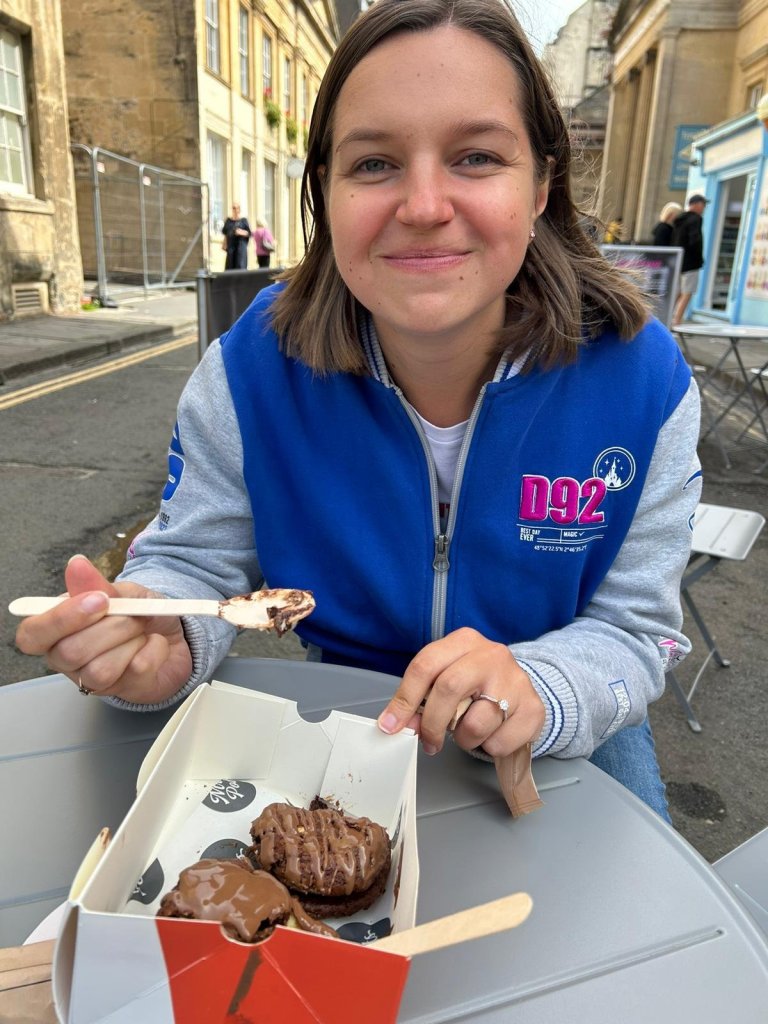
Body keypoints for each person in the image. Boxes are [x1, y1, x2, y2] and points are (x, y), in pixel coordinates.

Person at [15, 0, 701, 822]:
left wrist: (541, 685)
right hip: (340, 705)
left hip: (562, 725)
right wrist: (164, 638)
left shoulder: (642, 383)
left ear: (542, 186)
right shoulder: (250, 371)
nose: (423, 206)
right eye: (374, 164)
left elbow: (634, 630)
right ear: (325, 192)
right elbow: (195, 565)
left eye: (477, 157)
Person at [672, 194, 708, 324]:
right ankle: (677, 320)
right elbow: (695, 240)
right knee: (687, 292)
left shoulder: (679, 219)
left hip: (678, 260)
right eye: (703, 205)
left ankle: (668, 317)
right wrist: (698, 259)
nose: (704, 208)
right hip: (691, 262)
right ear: (696, 204)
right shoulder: (696, 219)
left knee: (677, 291)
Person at [221, 203, 251, 269]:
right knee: (230, 266)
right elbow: (225, 233)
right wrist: (224, 244)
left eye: (237, 208)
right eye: (233, 208)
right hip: (231, 247)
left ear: (239, 210)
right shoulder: (228, 221)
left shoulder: (243, 221)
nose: (235, 210)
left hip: (240, 247)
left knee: (240, 265)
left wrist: (241, 232)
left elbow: (249, 233)